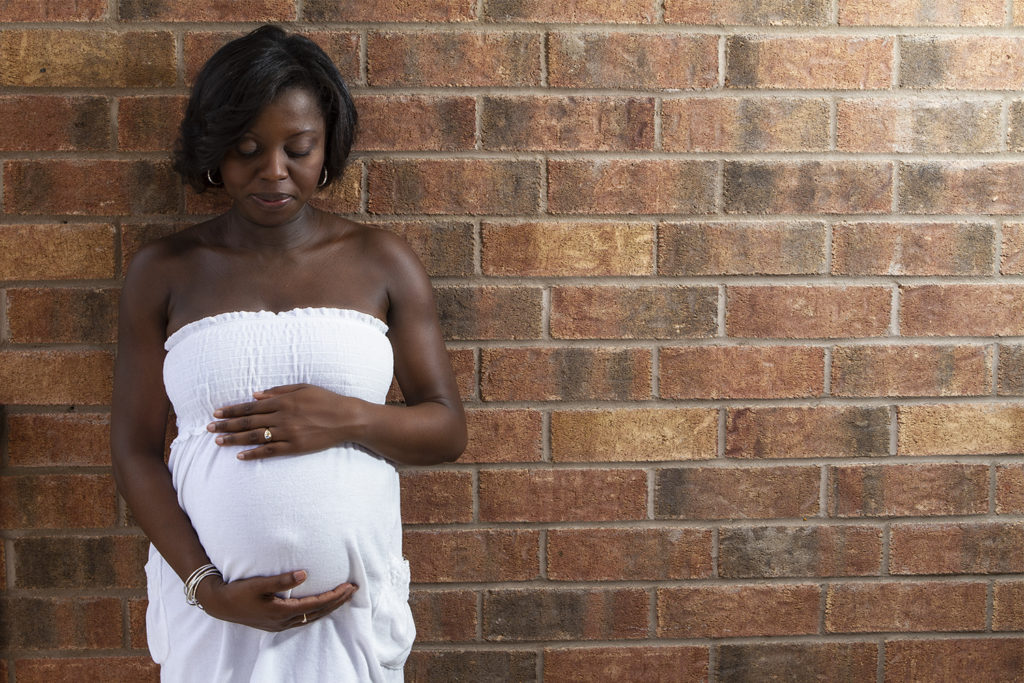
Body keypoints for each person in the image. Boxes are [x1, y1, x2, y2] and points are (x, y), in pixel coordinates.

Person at [110, 25, 466, 682]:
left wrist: (346, 417)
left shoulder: (380, 261)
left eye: (298, 148)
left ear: (327, 148)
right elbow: (134, 451)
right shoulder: (166, 270)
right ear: (214, 152)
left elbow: (445, 427)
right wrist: (206, 587)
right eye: (247, 149)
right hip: (213, 621)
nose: (274, 170)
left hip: (349, 623)